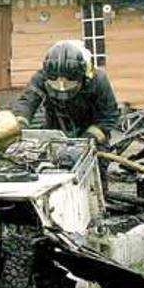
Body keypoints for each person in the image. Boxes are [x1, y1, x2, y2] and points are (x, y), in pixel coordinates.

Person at [11, 40, 119, 186]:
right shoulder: (41, 77)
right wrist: (19, 125)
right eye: (56, 83)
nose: (62, 88)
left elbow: (108, 117)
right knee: (41, 166)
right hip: (56, 129)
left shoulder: (98, 80)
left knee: (94, 168)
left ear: (81, 76)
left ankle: (98, 204)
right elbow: (27, 102)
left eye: (69, 83)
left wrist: (85, 142)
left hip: (92, 130)